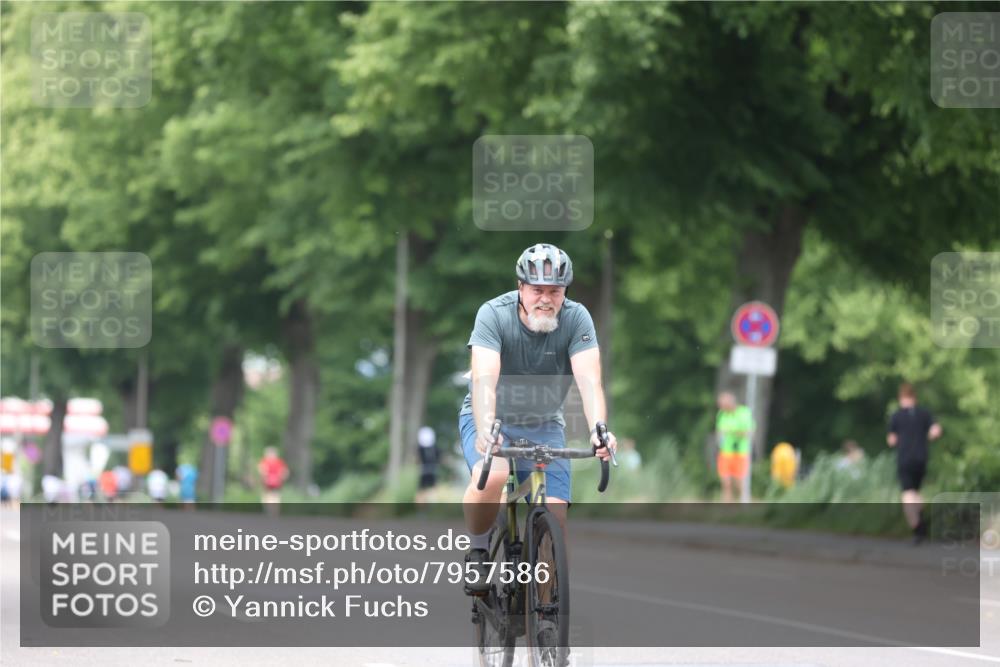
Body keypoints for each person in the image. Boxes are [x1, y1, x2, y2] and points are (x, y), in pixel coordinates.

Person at [459, 243, 617, 594]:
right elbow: (485, 379)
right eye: (537, 290)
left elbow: (589, 381)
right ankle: (479, 549)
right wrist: (486, 431)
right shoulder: (493, 315)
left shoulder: (577, 318)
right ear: (520, 288)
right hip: (491, 417)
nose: (545, 299)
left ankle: (546, 624)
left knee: (555, 519)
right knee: (494, 474)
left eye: (555, 291)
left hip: (544, 425)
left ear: (565, 292)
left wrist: (598, 431)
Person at [887, 383, 942, 543]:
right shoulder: (924, 413)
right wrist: (927, 436)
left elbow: (891, 440)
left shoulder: (896, 416)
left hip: (904, 458)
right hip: (921, 458)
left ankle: (917, 528)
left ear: (901, 398)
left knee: (907, 493)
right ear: (914, 398)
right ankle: (922, 521)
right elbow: (936, 431)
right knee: (916, 491)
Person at [715, 391, 753, 502]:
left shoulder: (744, 413)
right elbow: (719, 431)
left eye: (723, 405)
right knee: (725, 482)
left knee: (739, 482)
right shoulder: (721, 414)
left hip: (740, 452)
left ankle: (743, 503)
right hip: (725, 452)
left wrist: (730, 432)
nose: (721, 407)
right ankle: (726, 507)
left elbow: (748, 432)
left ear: (730, 403)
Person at [415, 425, 439, 505]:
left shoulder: (420, 448)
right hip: (430, 470)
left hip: (424, 471)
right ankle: (429, 507)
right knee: (429, 490)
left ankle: (423, 509)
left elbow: (417, 460)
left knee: (423, 491)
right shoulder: (434, 448)